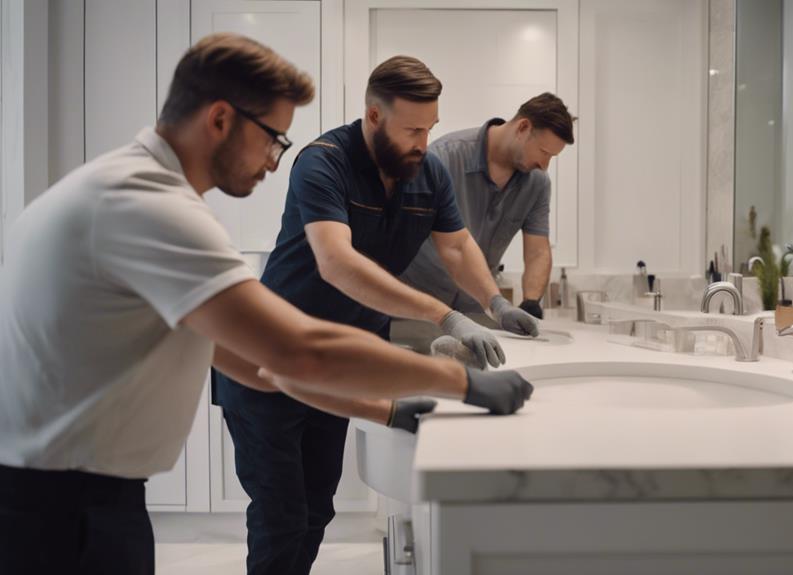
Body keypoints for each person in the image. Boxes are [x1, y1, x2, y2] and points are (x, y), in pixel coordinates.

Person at [0, 34, 532, 575]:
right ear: (221, 120)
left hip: (73, 494)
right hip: (61, 506)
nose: (276, 161)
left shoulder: (126, 189)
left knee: (308, 513)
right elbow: (298, 350)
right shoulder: (149, 208)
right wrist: (461, 383)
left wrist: (387, 409)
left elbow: (253, 364)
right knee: (281, 518)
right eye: (274, 137)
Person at [213, 54, 541, 575]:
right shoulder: (323, 162)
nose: (423, 142)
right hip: (269, 360)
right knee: (281, 517)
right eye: (412, 129)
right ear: (372, 117)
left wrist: (495, 303)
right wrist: (445, 316)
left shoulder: (427, 172)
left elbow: (456, 248)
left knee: (316, 508)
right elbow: (336, 264)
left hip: (343, 364)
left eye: (429, 127)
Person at [399, 93, 575, 319]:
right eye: (544, 152)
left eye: (553, 157)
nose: (544, 165)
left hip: (477, 309)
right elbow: (403, 234)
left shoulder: (537, 184)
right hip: (416, 307)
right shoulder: (443, 158)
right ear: (523, 127)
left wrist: (531, 301)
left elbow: (537, 251)